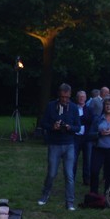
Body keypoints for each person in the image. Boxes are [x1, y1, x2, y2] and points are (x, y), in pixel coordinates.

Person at [37, 83, 80, 211]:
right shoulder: (51, 106)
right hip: (55, 144)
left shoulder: (73, 108)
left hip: (69, 144)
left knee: (69, 174)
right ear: (58, 95)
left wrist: (69, 127)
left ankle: (70, 201)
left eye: (67, 97)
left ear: (70, 95)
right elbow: (43, 123)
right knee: (51, 173)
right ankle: (45, 194)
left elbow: (78, 127)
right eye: (62, 97)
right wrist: (53, 127)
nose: (64, 100)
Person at [74, 90, 93, 185]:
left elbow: (90, 120)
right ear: (77, 98)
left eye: (83, 97)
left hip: (86, 137)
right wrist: (82, 120)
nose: (81, 98)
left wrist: (79, 120)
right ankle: (71, 178)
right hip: (75, 137)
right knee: (73, 159)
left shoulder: (89, 109)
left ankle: (87, 179)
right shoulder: (73, 109)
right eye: (80, 96)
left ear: (85, 98)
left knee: (87, 160)